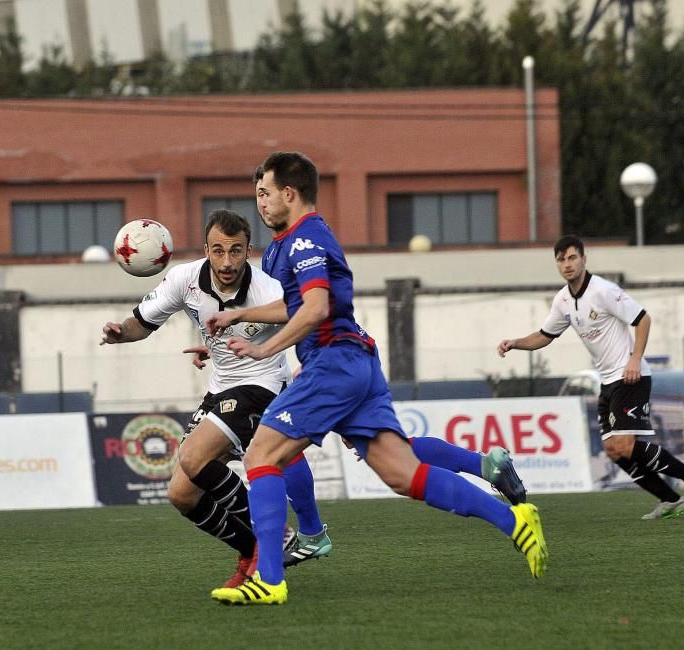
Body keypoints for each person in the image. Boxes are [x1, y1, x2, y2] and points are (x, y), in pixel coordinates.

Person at [207, 151, 546, 606]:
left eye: (265, 193)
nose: (260, 202)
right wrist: (240, 316)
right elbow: (297, 304)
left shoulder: (305, 239)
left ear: (290, 193)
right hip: (355, 363)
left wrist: (265, 348)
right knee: (403, 474)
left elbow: (316, 307)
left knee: (262, 455)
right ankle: (514, 521)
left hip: (334, 363)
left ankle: (269, 579)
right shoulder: (287, 244)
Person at [100, 208, 327, 588]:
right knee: (182, 494)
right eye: (218, 251)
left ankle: (277, 535)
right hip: (222, 385)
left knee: (193, 456)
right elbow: (141, 322)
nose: (226, 261)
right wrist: (120, 332)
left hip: (264, 384)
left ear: (248, 251)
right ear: (206, 249)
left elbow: (307, 312)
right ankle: (250, 549)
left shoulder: (268, 289)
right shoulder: (184, 279)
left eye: (235, 251)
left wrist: (315, 361)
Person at [497, 234, 684, 520]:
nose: (567, 264)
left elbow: (643, 318)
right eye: (561, 259)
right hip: (608, 382)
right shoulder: (562, 301)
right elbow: (543, 336)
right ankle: (669, 498)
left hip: (630, 376)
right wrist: (515, 342)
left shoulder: (603, 290)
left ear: (584, 259)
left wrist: (635, 359)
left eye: (572, 257)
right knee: (614, 450)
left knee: (624, 445)